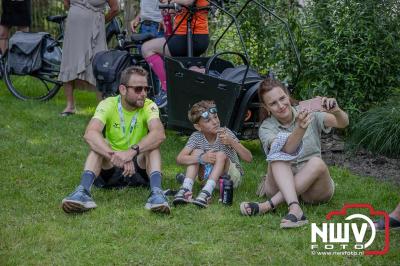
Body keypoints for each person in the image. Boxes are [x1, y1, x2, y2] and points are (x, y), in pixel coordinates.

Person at [240, 78, 349, 229]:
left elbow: (343, 123)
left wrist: (336, 110)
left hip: (313, 190)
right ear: (266, 107)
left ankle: (267, 206)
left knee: (317, 163)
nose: (280, 106)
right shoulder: (266, 128)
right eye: (273, 103)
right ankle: (295, 208)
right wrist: (300, 128)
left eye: (282, 98)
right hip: (281, 184)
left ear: (287, 94)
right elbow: (287, 150)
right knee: (277, 154)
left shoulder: (308, 109)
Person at [61, 66, 170, 214]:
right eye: (138, 89)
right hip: (111, 164)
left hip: (138, 164)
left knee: (153, 145)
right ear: (123, 89)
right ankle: (82, 192)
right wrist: (114, 155)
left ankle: (157, 193)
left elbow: (159, 133)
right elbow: (90, 133)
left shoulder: (149, 105)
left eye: (146, 88)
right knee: (99, 144)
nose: (143, 94)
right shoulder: (108, 104)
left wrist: (131, 152)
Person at [174, 100, 252, 208]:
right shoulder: (196, 137)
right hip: (207, 177)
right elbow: (179, 158)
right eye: (208, 120)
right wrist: (201, 158)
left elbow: (249, 158)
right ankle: (186, 189)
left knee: (220, 154)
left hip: (229, 180)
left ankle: (206, 193)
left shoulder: (225, 133)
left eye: (215, 117)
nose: (215, 122)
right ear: (198, 127)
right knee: (197, 153)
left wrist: (232, 142)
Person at [141, 0, 210, 108]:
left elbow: (188, 1)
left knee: (146, 48)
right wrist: (170, 11)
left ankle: (167, 88)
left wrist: (172, 1)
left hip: (189, 37)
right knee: (188, 68)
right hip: (193, 37)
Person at [58, 0, 119, 116]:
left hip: (95, 29)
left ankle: (102, 107)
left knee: (98, 63)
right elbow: (66, 4)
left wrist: (101, 20)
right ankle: (70, 106)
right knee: (70, 61)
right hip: (74, 28)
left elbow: (115, 8)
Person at [130, 0, 164, 97]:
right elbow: (147, 7)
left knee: (156, 69)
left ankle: (159, 102)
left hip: (157, 26)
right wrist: (138, 18)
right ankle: (149, 101)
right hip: (143, 26)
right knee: (145, 68)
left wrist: (167, 17)